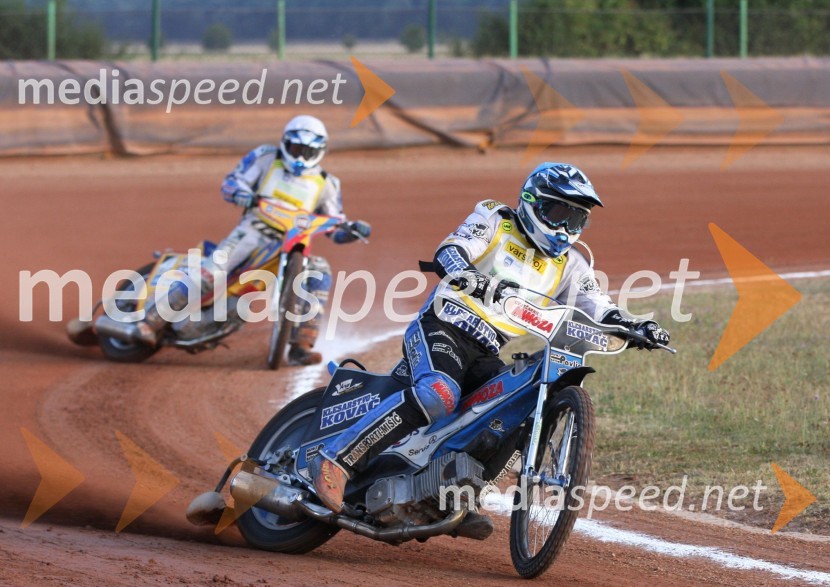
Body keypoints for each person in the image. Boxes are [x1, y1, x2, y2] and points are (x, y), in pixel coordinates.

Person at [310, 162, 670, 512]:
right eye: (557, 212)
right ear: (532, 202)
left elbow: (598, 305)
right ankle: (336, 460)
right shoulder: (495, 219)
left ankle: (452, 496)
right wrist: (468, 275)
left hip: (486, 352)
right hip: (442, 327)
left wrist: (636, 326)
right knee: (439, 394)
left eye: (575, 218)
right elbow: (451, 251)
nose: (563, 228)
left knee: (516, 407)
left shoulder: (572, 263)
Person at [136, 115, 371, 366]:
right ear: (285, 143)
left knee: (319, 272)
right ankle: (151, 320)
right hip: (252, 232)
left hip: (294, 244)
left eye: (308, 151)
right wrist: (242, 194)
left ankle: (301, 344)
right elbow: (232, 182)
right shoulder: (265, 158)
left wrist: (353, 230)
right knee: (214, 270)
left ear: (320, 151)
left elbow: (334, 225)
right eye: (296, 149)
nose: (301, 157)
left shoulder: (327, 184)